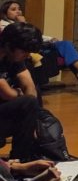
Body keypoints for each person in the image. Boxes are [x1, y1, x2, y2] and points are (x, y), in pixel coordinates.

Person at [0, 1, 78, 95]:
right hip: (33, 49)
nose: (18, 12)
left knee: (65, 45)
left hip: (41, 46)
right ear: (5, 13)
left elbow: (36, 36)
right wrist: (23, 22)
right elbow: (27, 39)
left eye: (19, 9)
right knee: (65, 48)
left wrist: (50, 39)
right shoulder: (4, 24)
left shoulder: (19, 24)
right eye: (13, 9)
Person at [0, 22, 43, 162]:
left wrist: (34, 121)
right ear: (8, 45)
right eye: (24, 51)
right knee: (28, 103)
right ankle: (20, 161)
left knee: (35, 100)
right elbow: (6, 93)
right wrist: (19, 94)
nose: (27, 55)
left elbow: (28, 84)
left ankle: (23, 157)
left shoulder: (12, 56)